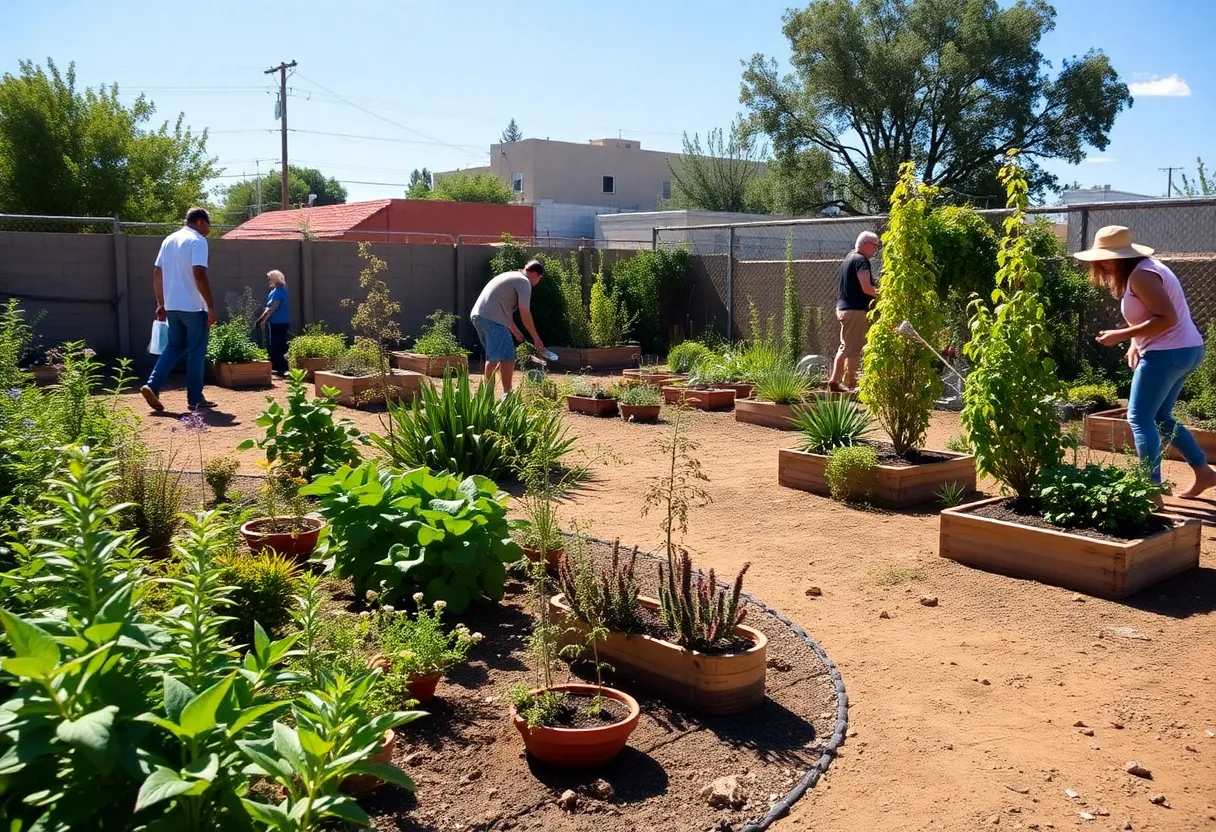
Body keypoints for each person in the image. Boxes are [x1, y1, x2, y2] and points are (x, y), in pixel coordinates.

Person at [1076, 225, 1216, 498]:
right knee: (1161, 416)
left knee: (1139, 417)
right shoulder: (1146, 269)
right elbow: (1148, 315)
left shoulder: (1141, 276)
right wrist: (1134, 343)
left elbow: (1167, 318)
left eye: (1103, 259)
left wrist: (1121, 335)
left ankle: (1149, 489)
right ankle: (1205, 473)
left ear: (1117, 257)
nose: (1101, 266)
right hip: (1184, 350)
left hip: (1168, 353)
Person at [140, 207, 216, 412]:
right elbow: (199, 273)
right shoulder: (197, 241)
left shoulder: (169, 240)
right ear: (200, 221)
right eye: (209, 223)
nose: (209, 228)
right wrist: (210, 305)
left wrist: (160, 303)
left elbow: (157, 272)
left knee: (173, 347)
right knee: (196, 352)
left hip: (173, 306)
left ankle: (153, 385)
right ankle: (195, 398)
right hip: (194, 307)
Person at [470, 258, 547, 395]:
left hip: (479, 316)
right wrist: (536, 338)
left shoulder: (511, 275)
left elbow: (503, 310)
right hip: (492, 318)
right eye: (540, 278)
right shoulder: (524, 282)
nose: (538, 281)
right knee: (503, 356)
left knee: (500, 355)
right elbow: (525, 312)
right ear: (535, 274)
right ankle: (499, 395)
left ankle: (495, 394)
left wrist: (515, 331)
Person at [827, 231, 880, 392]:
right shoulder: (861, 261)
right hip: (855, 310)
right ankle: (846, 384)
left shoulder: (849, 258)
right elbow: (867, 287)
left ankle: (837, 382)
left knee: (847, 347)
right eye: (875, 246)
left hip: (844, 308)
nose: (876, 250)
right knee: (852, 349)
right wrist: (884, 294)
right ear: (865, 244)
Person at [256, 269, 291, 377]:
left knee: (278, 344)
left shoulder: (279, 291)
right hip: (274, 321)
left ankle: (282, 368)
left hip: (280, 322)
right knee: (274, 344)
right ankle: (277, 367)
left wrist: (262, 319)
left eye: (270, 278)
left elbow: (273, 307)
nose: (268, 280)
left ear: (275, 278)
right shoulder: (274, 290)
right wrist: (264, 320)